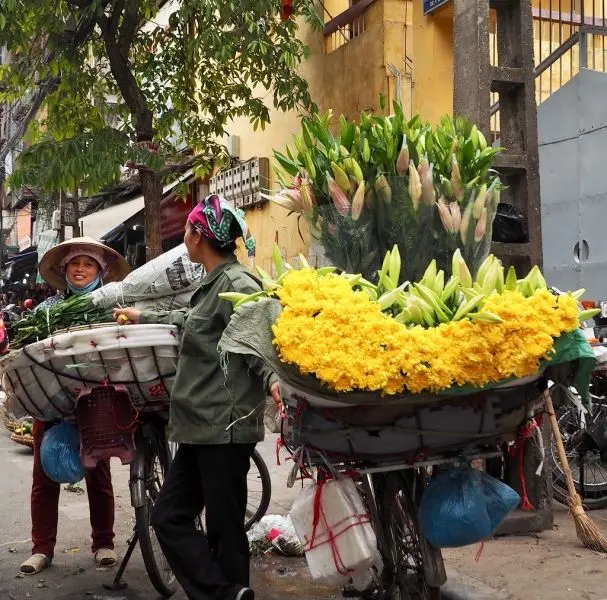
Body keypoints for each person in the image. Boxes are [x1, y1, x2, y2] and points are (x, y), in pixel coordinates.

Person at [114, 195, 281, 600]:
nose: (184, 237)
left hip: (224, 426)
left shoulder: (240, 284)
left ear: (199, 235)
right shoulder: (211, 286)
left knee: (224, 529)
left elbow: (259, 342)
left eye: (188, 229)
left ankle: (227, 593)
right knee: (168, 517)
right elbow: (192, 323)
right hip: (197, 427)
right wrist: (144, 316)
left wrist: (274, 381)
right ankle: (227, 594)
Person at [19, 237, 130, 575]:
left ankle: (103, 542)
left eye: (88, 264)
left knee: (98, 473)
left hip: (94, 400)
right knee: (44, 475)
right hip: (50, 401)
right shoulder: (46, 311)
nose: (80, 269)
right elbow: (26, 350)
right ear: (64, 269)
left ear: (100, 271)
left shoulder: (108, 309)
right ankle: (41, 548)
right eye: (75, 264)